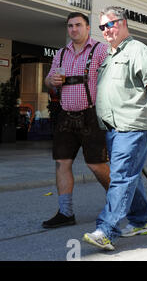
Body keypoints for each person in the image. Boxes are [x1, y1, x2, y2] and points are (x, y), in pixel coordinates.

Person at [82, 6, 147, 251]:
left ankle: (107, 230)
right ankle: (141, 220)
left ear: (122, 23)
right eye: (102, 27)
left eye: (109, 24)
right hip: (114, 127)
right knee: (129, 175)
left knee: (121, 177)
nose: (105, 30)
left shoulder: (138, 51)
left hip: (133, 125)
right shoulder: (110, 55)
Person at [42, 12, 110, 229]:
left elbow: (112, 78)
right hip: (65, 115)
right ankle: (66, 212)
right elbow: (49, 80)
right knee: (62, 162)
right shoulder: (61, 54)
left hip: (91, 114)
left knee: (96, 165)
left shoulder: (100, 50)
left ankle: (118, 203)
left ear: (88, 28)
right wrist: (50, 81)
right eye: (70, 26)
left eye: (78, 25)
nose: (74, 29)